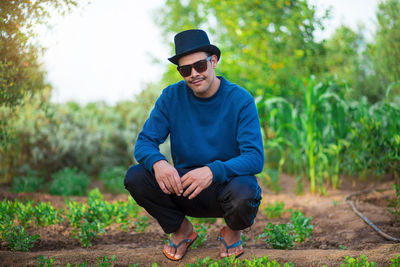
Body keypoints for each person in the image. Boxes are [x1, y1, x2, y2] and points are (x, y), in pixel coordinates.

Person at [124, 29, 264, 261]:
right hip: (184, 188)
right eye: (185, 69)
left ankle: (232, 231)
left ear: (214, 61)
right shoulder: (171, 97)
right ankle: (182, 230)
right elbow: (145, 142)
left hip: (226, 188)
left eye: (199, 65)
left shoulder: (240, 100)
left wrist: (213, 170)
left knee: (246, 190)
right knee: (136, 176)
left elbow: (255, 157)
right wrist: (159, 163)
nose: (194, 74)